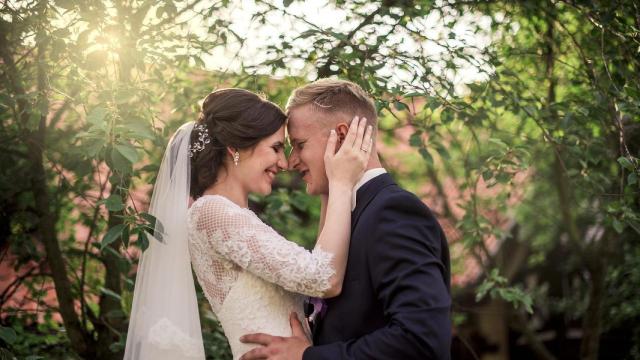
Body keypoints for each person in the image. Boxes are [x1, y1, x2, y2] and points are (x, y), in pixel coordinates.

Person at [124, 88, 373, 360]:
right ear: (235, 150)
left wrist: (327, 180)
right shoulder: (212, 212)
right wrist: (340, 182)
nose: (283, 162)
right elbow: (323, 278)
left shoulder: (234, 216)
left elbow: (321, 264)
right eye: (276, 147)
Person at [240, 79, 452, 360]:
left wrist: (309, 357)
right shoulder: (349, 213)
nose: (291, 162)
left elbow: (423, 340)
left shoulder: (393, 212)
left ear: (340, 136)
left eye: (299, 145)